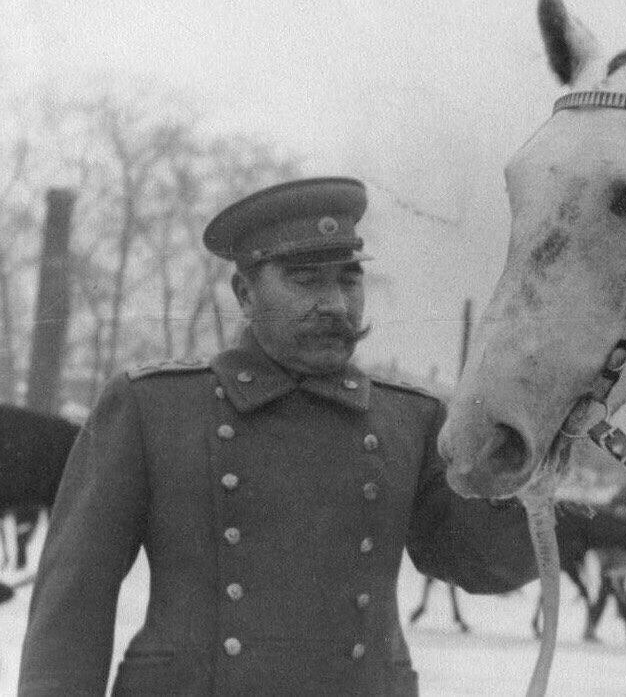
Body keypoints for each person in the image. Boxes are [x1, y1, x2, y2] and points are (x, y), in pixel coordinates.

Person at [18, 177, 538, 696]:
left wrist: (530, 459)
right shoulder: (154, 408)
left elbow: (486, 563)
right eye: (307, 280)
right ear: (245, 294)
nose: (336, 304)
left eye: (349, 281)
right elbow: (72, 607)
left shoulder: (411, 419)